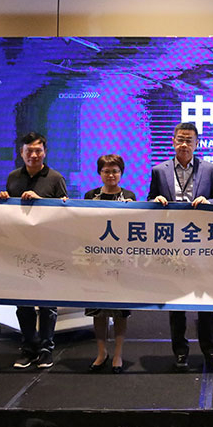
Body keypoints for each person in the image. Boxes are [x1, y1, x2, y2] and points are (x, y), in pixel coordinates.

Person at [148, 122, 213, 370]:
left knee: (205, 302)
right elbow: (150, 200)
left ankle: (210, 351)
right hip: (172, 244)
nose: (184, 144)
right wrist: (156, 200)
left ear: (197, 143)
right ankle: (180, 352)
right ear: (173, 141)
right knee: (176, 304)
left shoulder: (209, 168)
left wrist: (208, 201)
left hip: (201, 244)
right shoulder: (159, 170)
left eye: (189, 140)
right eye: (180, 139)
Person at [0, 132, 68, 370]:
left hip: (48, 249)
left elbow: (66, 213)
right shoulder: (13, 177)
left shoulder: (56, 178)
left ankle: (46, 349)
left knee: (48, 303)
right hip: (20, 249)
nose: (34, 155)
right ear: (21, 153)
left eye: (38, 150)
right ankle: (28, 347)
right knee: (23, 302)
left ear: (45, 152)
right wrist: (2, 198)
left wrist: (41, 201)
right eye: (29, 151)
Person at [83, 154, 136, 374]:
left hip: (121, 261)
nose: (111, 175)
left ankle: (118, 354)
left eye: (115, 171)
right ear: (99, 173)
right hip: (96, 260)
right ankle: (101, 352)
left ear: (121, 173)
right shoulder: (90, 196)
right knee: (98, 311)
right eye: (106, 171)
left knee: (120, 311)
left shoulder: (129, 196)